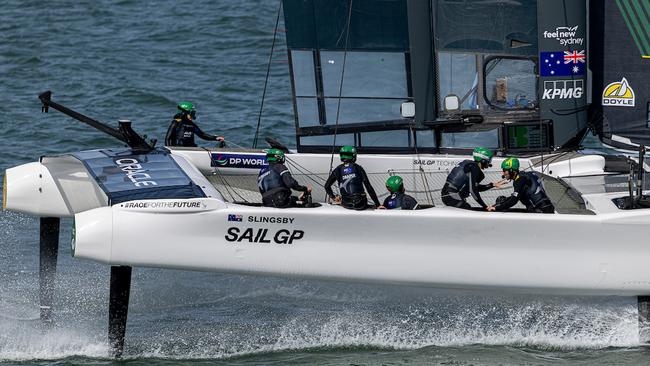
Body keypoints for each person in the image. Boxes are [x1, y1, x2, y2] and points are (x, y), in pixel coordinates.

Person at [441, 147, 505, 210]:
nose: (489, 164)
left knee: (467, 208)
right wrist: (485, 206)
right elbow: (473, 190)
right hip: (451, 195)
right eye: (489, 161)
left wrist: (492, 185)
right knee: (466, 208)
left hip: (448, 194)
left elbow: (474, 187)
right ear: (483, 160)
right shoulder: (474, 167)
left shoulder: (470, 165)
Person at [488, 157, 555, 213]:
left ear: (511, 170)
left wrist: (497, 208)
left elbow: (514, 200)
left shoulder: (519, 180)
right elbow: (516, 196)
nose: (503, 173)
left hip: (540, 212)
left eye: (504, 170)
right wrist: (502, 203)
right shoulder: (526, 176)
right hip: (547, 208)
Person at [324, 146, 381, 210]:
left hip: (346, 204)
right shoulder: (358, 168)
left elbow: (326, 186)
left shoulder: (338, 169)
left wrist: (333, 197)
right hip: (360, 204)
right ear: (354, 155)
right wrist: (378, 204)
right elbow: (368, 187)